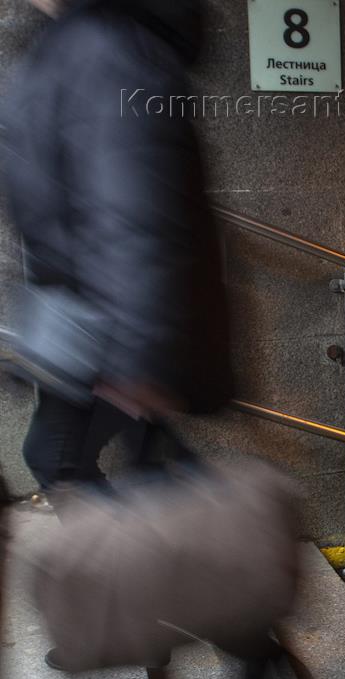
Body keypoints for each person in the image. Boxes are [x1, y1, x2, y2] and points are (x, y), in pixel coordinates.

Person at [1, 0, 231, 496]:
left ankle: (196, 562)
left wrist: (138, 360)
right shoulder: (82, 42)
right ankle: (208, 555)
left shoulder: (105, 46)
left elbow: (134, 205)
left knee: (58, 459)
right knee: (144, 471)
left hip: (108, 328)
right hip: (91, 325)